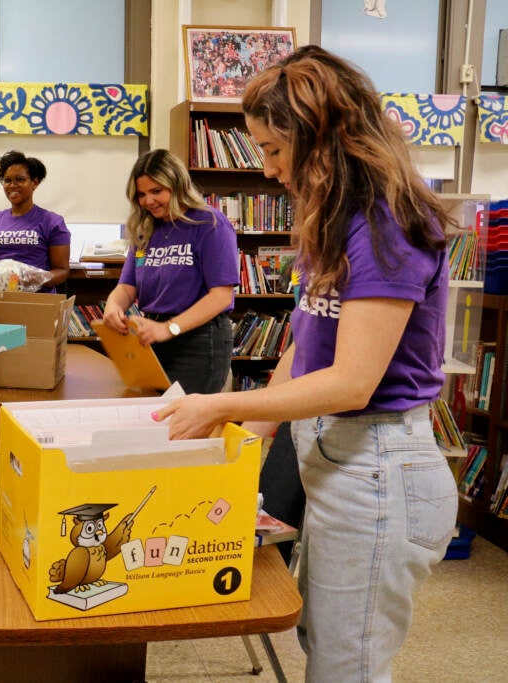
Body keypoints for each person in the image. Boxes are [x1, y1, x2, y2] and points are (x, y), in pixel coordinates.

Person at [154, 45, 458, 682]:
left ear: (323, 141)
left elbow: (352, 381)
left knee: (347, 666)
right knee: (324, 639)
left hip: (379, 463)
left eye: (272, 149)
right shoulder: (337, 219)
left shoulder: (385, 222)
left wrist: (222, 403)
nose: (266, 170)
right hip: (339, 458)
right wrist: (253, 433)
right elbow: (304, 343)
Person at [101, 149, 238, 394]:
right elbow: (127, 286)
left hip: (198, 341)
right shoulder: (144, 228)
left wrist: (169, 328)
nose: (148, 201)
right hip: (150, 338)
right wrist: (113, 307)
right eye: (141, 194)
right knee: (151, 417)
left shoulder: (209, 223)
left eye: (157, 191)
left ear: (178, 186)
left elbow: (221, 296)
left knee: (184, 423)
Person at [0, 150, 71, 292]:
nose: (12, 185)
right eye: (7, 180)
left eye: (20, 179)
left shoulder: (52, 222)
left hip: (37, 303)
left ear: (34, 183)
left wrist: (35, 278)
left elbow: (62, 271)